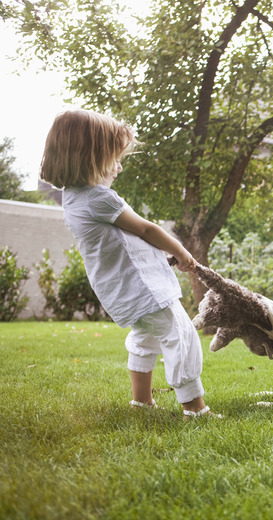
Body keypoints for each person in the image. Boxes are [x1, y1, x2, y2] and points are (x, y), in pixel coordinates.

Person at [40, 109, 219, 419]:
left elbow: (121, 243)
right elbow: (147, 229)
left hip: (125, 288)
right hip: (143, 288)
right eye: (114, 157)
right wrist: (184, 252)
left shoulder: (73, 199)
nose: (119, 166)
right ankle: (194, 408)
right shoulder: (100, 198)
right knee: (181, 334)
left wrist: (161, 256)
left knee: (145, 337)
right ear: (90, 158)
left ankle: (142, 401)